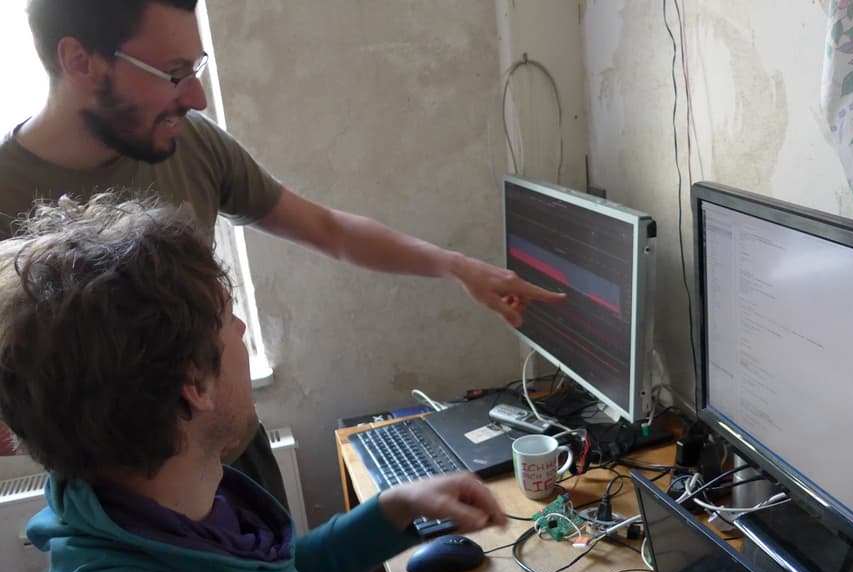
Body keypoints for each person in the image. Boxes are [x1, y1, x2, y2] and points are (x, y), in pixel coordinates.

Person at [0, 0, 564, 501]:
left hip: (233, 456)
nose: (195, 96)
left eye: (195, 69)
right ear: (80, 62)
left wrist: (457, 267)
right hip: (119, 501)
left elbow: (329, 228)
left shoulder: (190, 142)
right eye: (173, 74)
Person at [0, 195, 508, 572]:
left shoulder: (154, 521)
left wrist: (396, 508)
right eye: (228, 316)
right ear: (193, 382)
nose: (242, 331)